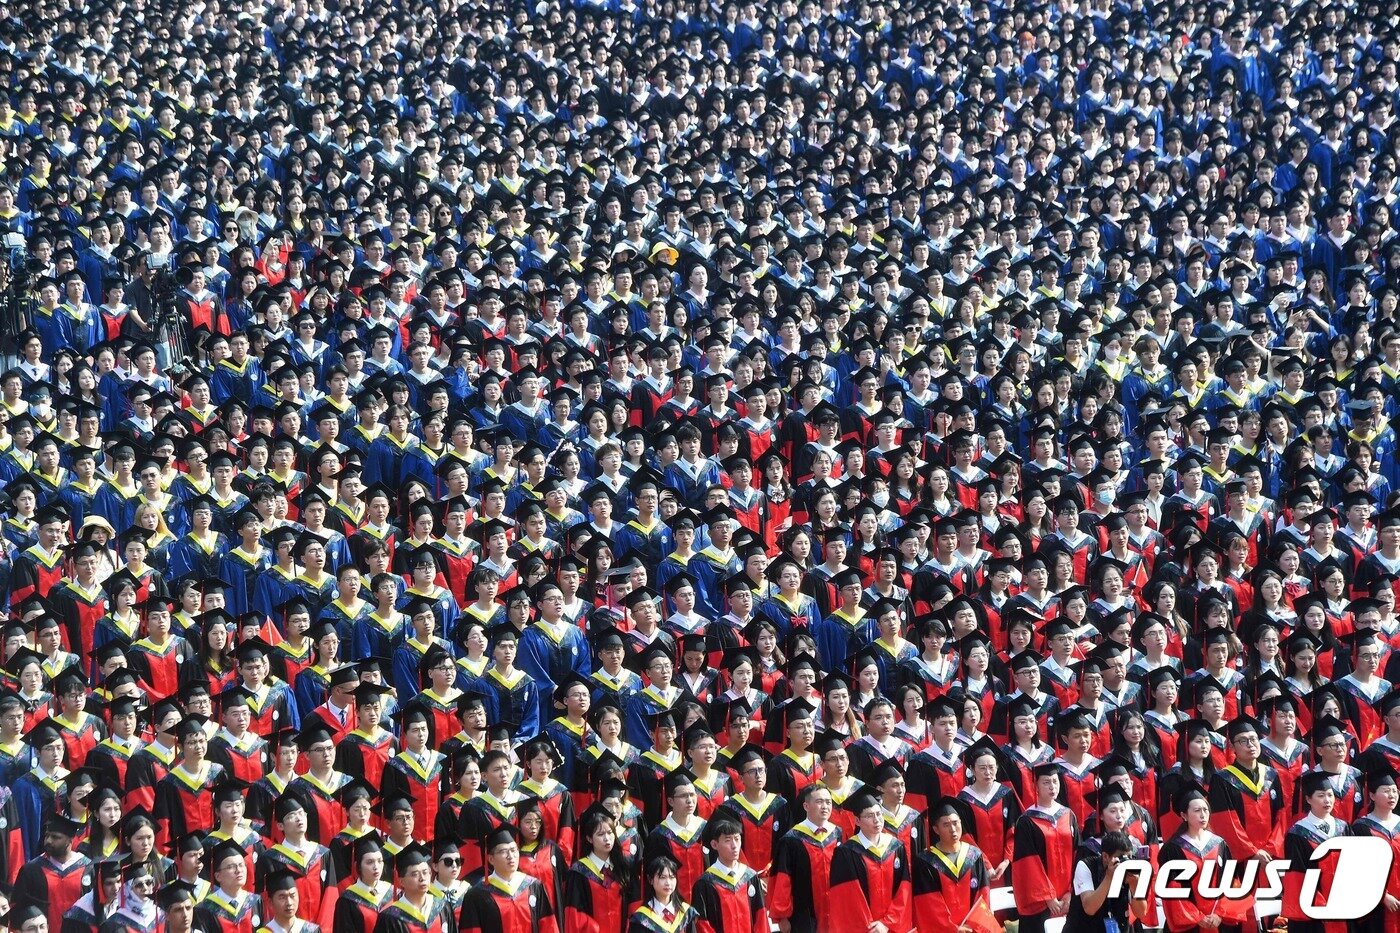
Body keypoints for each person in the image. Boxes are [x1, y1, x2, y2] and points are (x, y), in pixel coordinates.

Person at [824, 791, 912, 933]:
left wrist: (887, 923)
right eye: (869, 816)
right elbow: (848, 897)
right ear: (857, 821)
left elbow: (904, 888)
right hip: (863, 928)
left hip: (892, 927)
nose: (876, 820)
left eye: (879, 814)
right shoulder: (847, 852)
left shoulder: (896, 847)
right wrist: (872, 927)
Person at [457, 825, 558, 933]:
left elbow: (548, 925)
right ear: (491, 859)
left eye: (514, 850)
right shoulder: (477, 895)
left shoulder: (533, 886)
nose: (511, 856)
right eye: (504, 851)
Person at [689, 818, 767, 933]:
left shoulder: (750, 877)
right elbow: (702, 925)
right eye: (728, 840)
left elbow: (761, 917)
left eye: (737, 839)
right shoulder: (704, 883)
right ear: (714, 844)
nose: (734, 845)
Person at [628, 855, 698, 933]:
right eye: (662, 877)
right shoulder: (641, 918)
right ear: (650, 880)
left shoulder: (686, 914)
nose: (668, 883)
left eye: (672, 877)